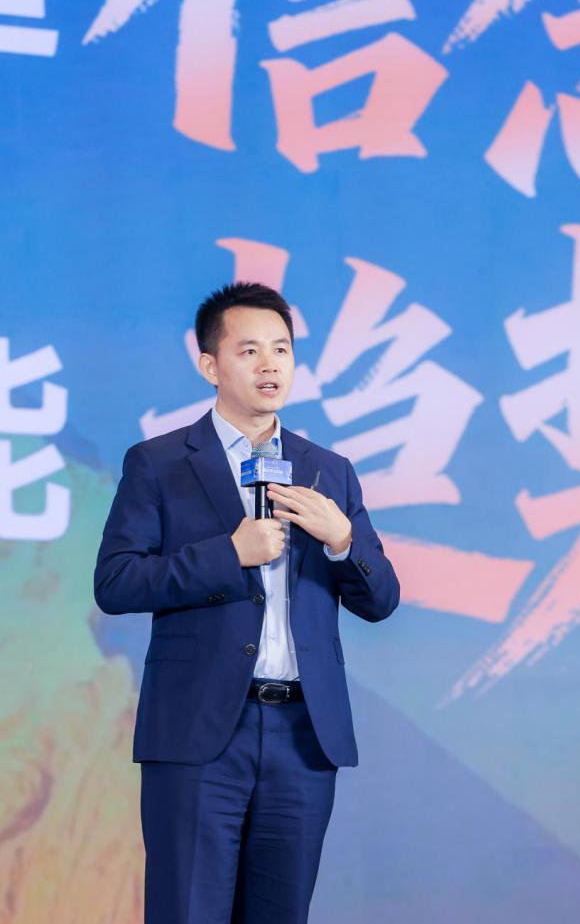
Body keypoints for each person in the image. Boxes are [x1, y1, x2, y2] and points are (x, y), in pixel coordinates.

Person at [94, 281, 400, 924]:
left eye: (282, 349)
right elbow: (117, 582)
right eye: (250, 350)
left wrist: (342, 540)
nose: (270, 365)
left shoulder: (328, 470)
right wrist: (228, 553)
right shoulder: (159, 463)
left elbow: (381, 600)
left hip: (303, 735)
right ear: (210, 365)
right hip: (200, 733)